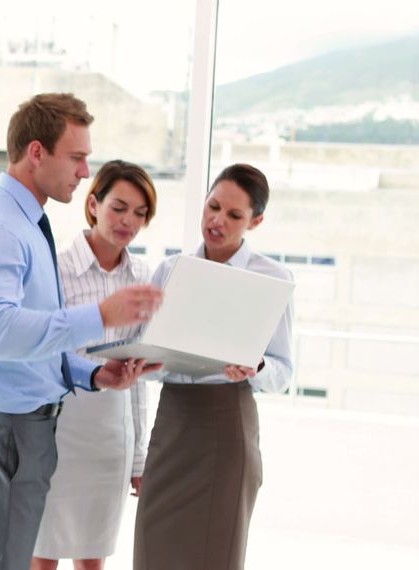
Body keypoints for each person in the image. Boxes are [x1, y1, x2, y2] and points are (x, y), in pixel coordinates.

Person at [0, 92, 165, 570]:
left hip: (27, 424)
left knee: (11, 562)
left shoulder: (26, 222)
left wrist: (91, 374)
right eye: (77, 157)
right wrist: (100, 315)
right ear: (37, 152)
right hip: (5, 428)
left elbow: (32, 338)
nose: (84, 172)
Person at [132, 163, 295, 570]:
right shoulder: (171, 270)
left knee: (215, 557)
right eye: (213, 206)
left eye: (234, 215)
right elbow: (146, 352)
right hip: (172, 422)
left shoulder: (271, 278)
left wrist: (255, 366)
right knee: (152, 553)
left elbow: (284, 371)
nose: (217, 221)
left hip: (228, 425)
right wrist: (144, 360)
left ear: (255, 221)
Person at [32, 160, 159, 570]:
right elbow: (43, 348)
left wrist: (139, 457)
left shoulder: (143, 277)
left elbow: (138, 378)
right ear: (93, 204)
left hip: (110, 433)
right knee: (43, 551)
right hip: (59, 427)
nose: (129, 221)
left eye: (140, 213)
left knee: (94, 555)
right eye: (119, 207)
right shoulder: (56, 267)